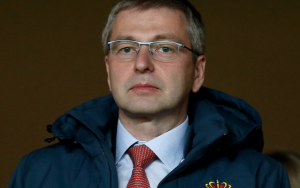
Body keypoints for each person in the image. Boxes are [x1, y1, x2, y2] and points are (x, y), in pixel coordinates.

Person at [9, 0, 290, 187]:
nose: (142, 63)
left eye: (165, 48)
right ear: (108, 70)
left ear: (197, 72)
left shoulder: (258, 176)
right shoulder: (39, 172)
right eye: (126, 49)